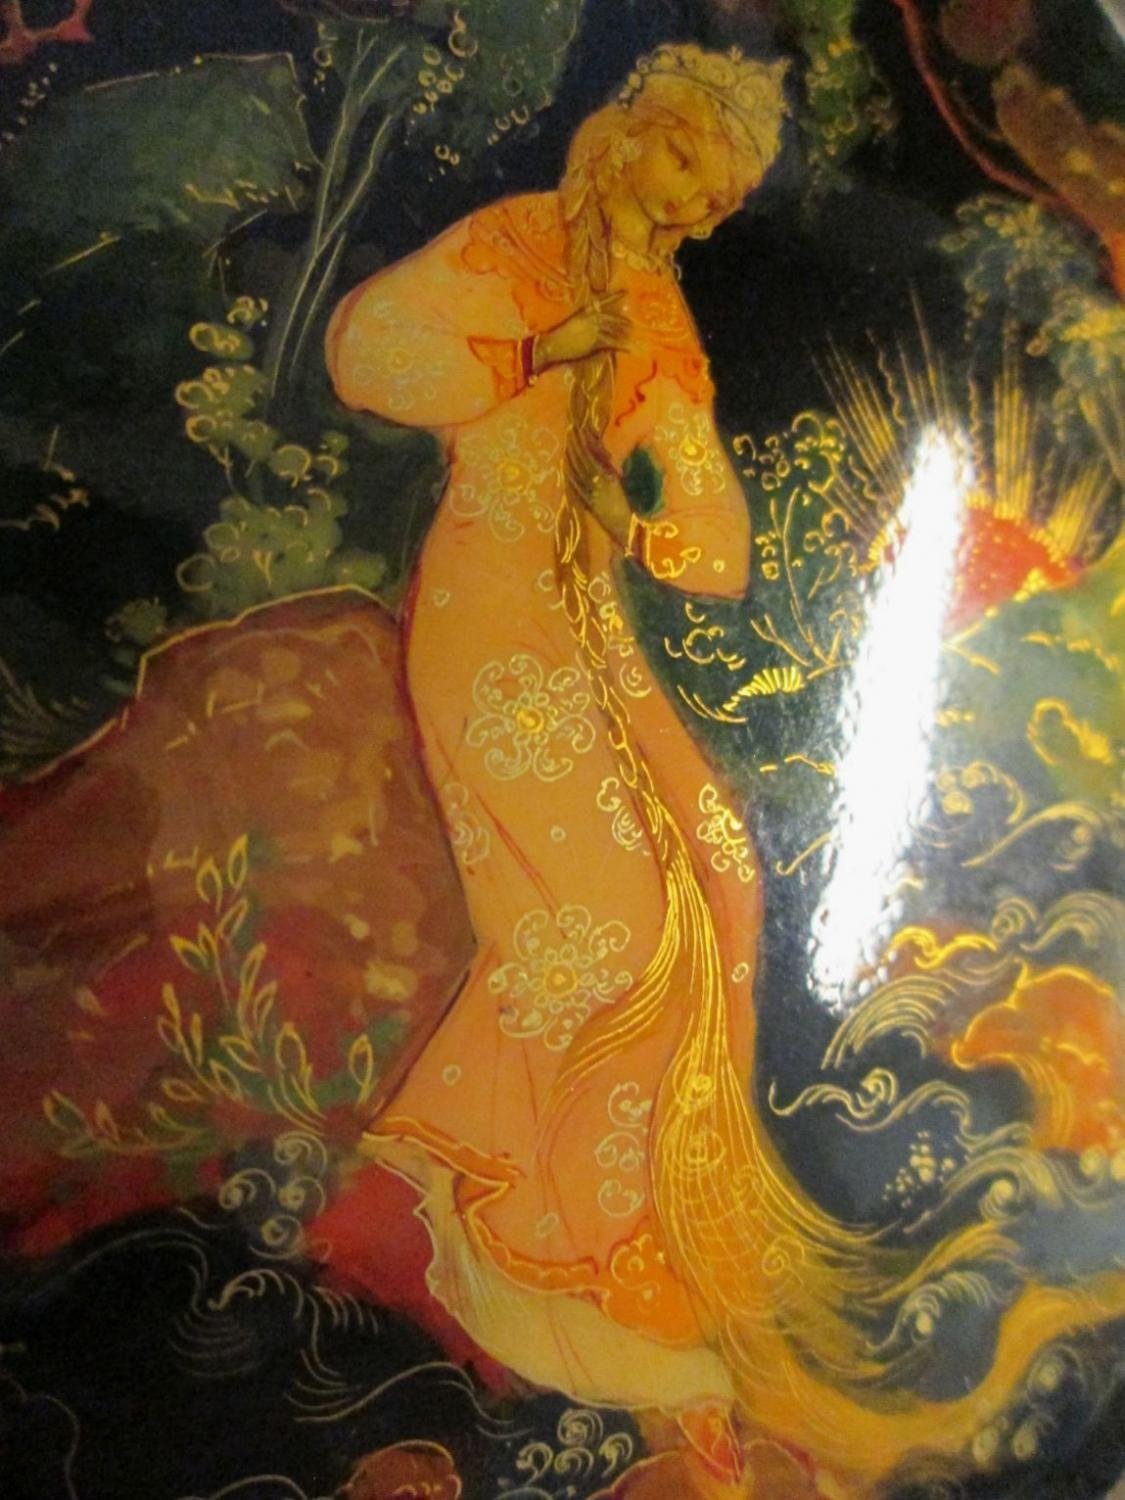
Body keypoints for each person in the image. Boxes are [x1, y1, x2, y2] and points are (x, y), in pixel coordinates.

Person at [325, 44, 1120, 1491]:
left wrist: (647, 504)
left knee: (722, 879)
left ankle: (631, 1254)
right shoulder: (518, 245)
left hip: (588, 615)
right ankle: (519, 1234)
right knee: (602, 923)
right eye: (687, 159)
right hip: (493, 606)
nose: (694, 202)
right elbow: (369, 354)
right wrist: (532, 357)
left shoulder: (653, 308)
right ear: (631, 131)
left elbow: (711, 546)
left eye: (719, 188)